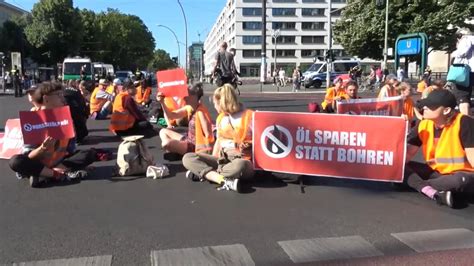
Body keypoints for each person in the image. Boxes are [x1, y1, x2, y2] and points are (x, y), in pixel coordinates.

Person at [9, 82, 95, 188]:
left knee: (89, 154)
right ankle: (56, 174)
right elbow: (28, 155)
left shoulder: (65, 117)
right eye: (58, 95)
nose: (63, 98)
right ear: (46, 99)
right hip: (38, 162)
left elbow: (71, 149)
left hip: (59, 160)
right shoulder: (32, 119)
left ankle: (43, 174)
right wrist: (42, 149)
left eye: (62, 95)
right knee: (16, 161)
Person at [404, 89, 474, 208]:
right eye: (425, 104)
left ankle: (421, 186)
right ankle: (436, 193)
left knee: (458, 181)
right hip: (436, 173)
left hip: (462, 174)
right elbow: (406, 156)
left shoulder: (464, 122)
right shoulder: (423, 124)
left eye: (431, 106)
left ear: (446, 110)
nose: (425, 107)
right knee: (400, 170)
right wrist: (400, 128)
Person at [183, 84, 254, 192]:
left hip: (243, 159)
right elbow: (219, 141)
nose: (215, 107)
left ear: (222, 103)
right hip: (222, 159)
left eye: (215, 104)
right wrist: (213, 158)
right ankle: (222, 179)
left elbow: (261, 142)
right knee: (188, 158)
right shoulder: (221, 118)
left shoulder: (250, 116)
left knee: (240, 165)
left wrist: (250, 145)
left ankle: (205, 173)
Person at [157, 82, 214, 160]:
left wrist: (209, 156)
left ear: (194, 96)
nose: (184, 97)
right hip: (188, 139)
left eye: (186, 95)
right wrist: (162, 102)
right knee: (163, 131)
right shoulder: (189, 108)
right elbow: (171, 115)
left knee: (166, 143)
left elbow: (208, 135)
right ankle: (176, 151)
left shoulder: (201, 112)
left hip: (195, 146)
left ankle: (177, 151)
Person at [451, 32, 474, 116]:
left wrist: (453, 54)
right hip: (471, 72)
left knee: (462, 97)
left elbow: (462, 52)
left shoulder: (466, 39)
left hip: (465, 72)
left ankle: (466, 125)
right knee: (467, 96)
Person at [64, 79, 89, 144]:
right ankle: (80, 137)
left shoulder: (64, 91)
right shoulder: (77, 92)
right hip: (76, 111)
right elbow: (82, 104)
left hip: (64, 110)